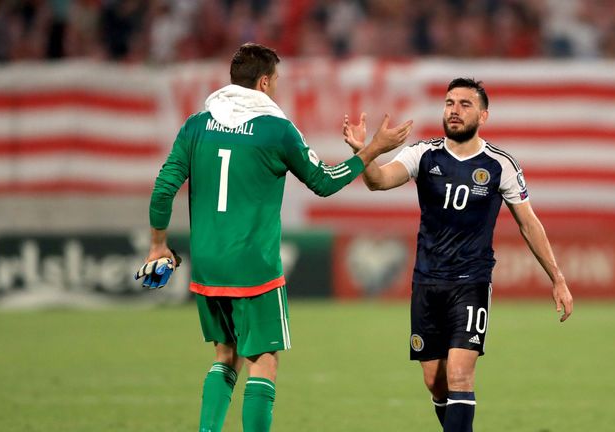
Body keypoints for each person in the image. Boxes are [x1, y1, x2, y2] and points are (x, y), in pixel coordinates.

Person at [140, 42, 413, 432]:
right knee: (263, 360)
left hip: (207, 263)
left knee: (225, 354)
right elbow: (323, 182)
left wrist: (157, 245)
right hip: (254, 265)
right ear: (265, 82)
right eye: (277, 81)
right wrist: (371, 152)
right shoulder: (277, 130)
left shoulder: (196, 125)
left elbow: (164, 188)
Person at [343, 77, 573, 432]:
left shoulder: (500, 165)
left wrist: (557, 278)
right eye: (450, 102)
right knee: (435, 381)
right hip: (427, 281)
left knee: (460, 374)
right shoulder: (424, 154)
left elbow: (529, 223)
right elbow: (378, 181)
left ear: (483, 115)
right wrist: (367, 150)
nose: (454, 110)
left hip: (472, 282)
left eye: (465, 104)